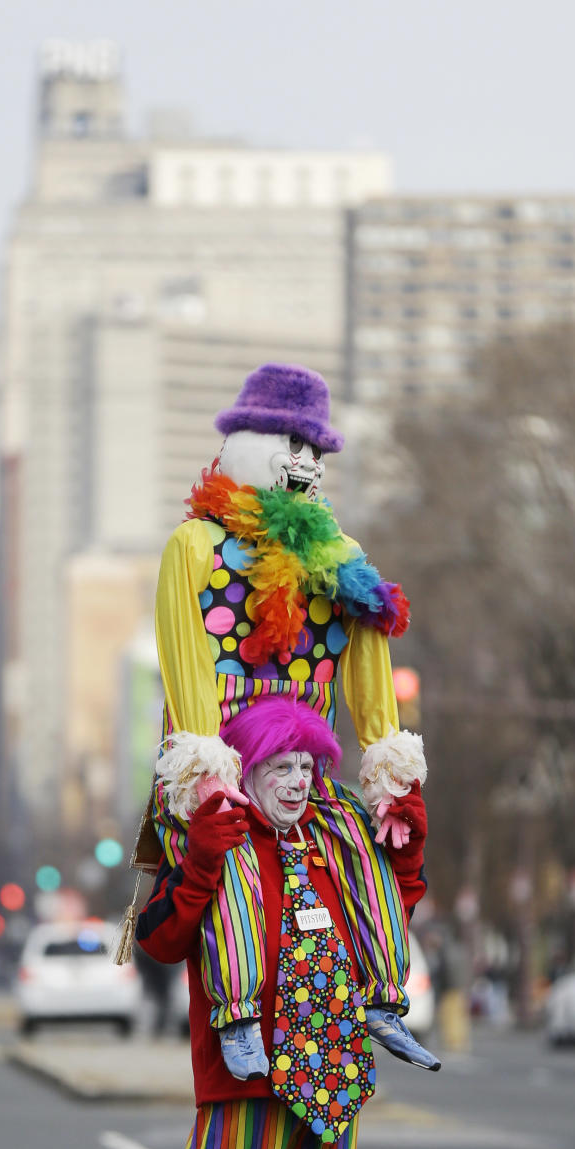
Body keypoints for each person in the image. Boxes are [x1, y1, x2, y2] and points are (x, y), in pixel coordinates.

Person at [133, 696, 427, 1149]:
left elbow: (389, 913)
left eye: (308, 767)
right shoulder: (219, 839)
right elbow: (160, 939)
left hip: (331, 1061)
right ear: (246, 771)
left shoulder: (332, 844)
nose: (298, 781)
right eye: (280, 767)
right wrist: (200, 860)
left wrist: (408, 852)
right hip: (249, 1066)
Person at [149, 362, 436, 1080]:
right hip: (228, 774)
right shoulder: (196, 550)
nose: (306, 463)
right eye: (292, 443)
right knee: (238, 881)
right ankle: (238, 1014)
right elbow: (187, 665)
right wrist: (203, 778)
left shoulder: (344, 563)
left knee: (363, 865)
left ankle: (382, 1000)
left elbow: (372, 675)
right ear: (250, 440)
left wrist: (391, 776)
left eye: (317, 451)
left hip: (311, 772)